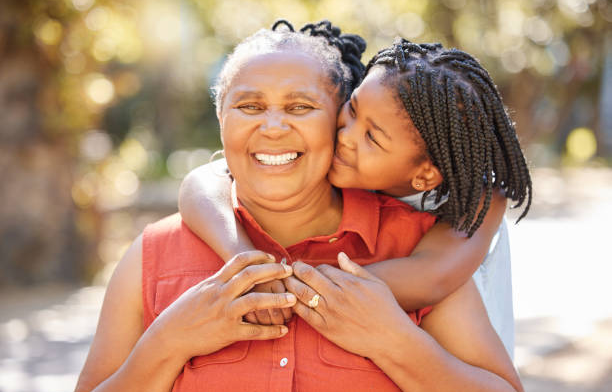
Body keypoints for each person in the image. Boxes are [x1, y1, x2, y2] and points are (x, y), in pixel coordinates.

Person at [72, 20, 526, 392]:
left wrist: (393, 340)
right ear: (221, 121)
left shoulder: (431, 233)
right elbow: (200, 182)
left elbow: (437, 276)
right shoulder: (158, 251)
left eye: (301, 107)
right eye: (249, 106)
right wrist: (169, 342)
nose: (273, 127)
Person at [179, 29, 532, 357]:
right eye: (352, 109)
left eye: (371, 137)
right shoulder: (347, 165)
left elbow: (431, 277)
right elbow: (201, 182)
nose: (345, 134)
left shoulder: (481, 201)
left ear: (425, 175)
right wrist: (243, 259)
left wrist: (289, 285)